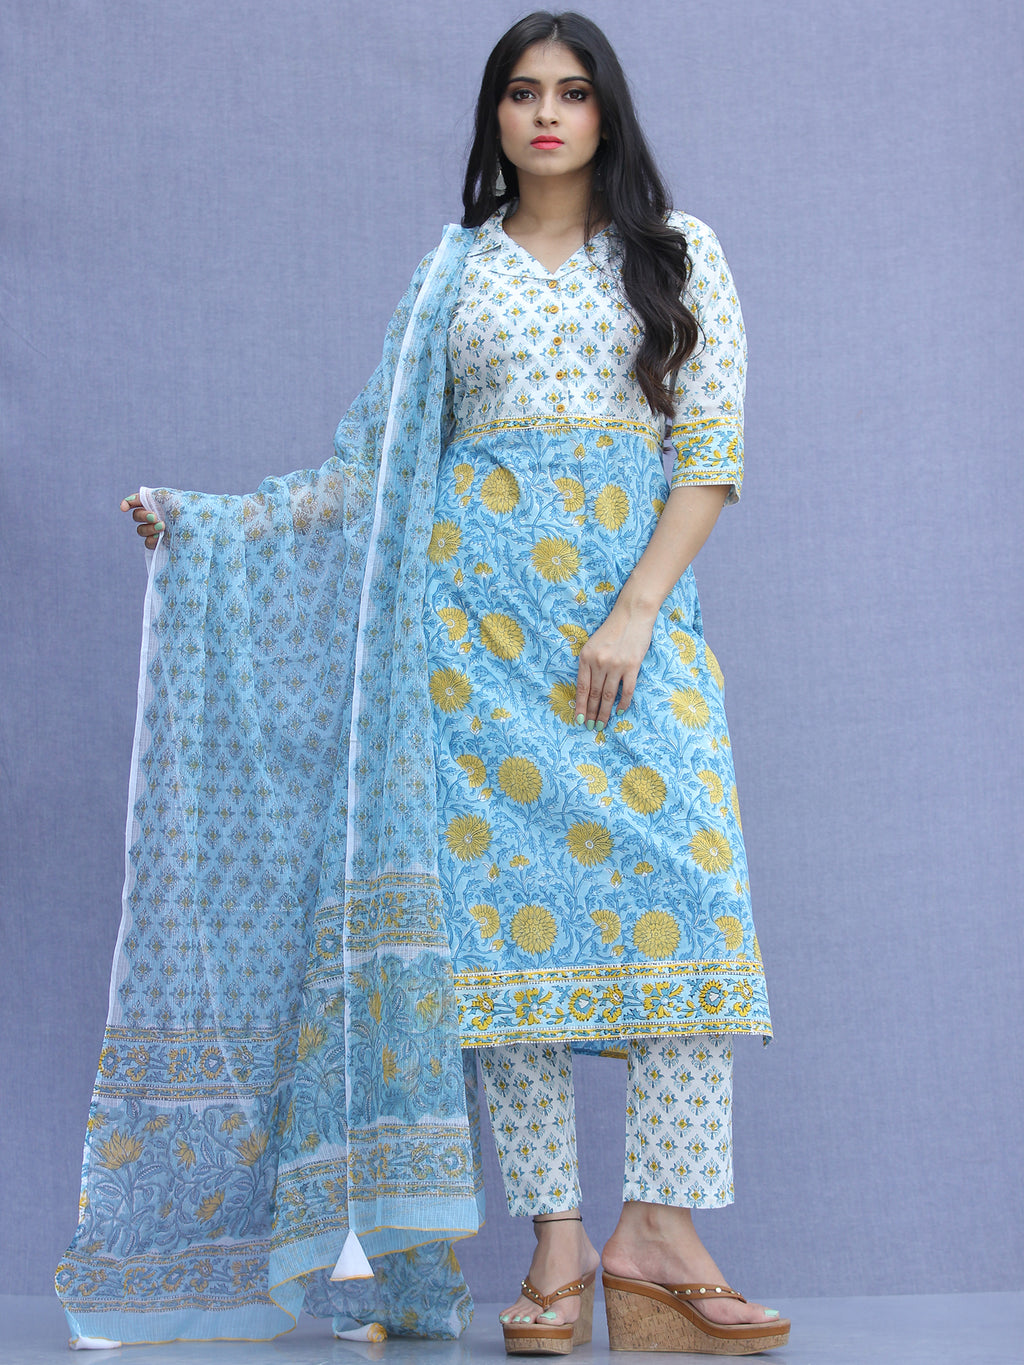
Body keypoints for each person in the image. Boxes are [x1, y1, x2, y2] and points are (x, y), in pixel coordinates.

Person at [61, 10, 786, 1358]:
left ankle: (660, 1229)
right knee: (503, 961)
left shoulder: (679, 254)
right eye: (523, 91)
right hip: (475, 657)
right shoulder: (453, 273)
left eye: (573, 91)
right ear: (495, 114)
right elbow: (372, 465)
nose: (547, 113)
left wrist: (634, 613)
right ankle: (558, 1245)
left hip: (632, 642)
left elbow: (710, 453)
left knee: (694, 918)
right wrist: (212, 524)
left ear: (607, 112)